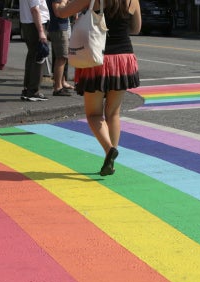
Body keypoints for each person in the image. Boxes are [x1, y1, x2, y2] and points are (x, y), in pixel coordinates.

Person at [54, 0, 141, 176]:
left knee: (93, 114)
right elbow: (136, 29)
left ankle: (109, 149)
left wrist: (59, 2)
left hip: (97, 58)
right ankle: (111, 161)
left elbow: (62, 13)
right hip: (124, 58)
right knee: (113, 113)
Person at [19, 0, 50, 101]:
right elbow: (35, 10)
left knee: (32, 56)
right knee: (38, 57)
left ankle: (27, 89)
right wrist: (41, 31)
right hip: (35, 24)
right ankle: (33, 91)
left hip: (28, 23)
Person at [47, 0, 73, 96]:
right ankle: (58, 87)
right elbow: (57, 12)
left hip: (60, 27)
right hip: (58, 28)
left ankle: (60, 84)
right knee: (61, 57)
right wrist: (65, 2)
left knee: (62, 57)